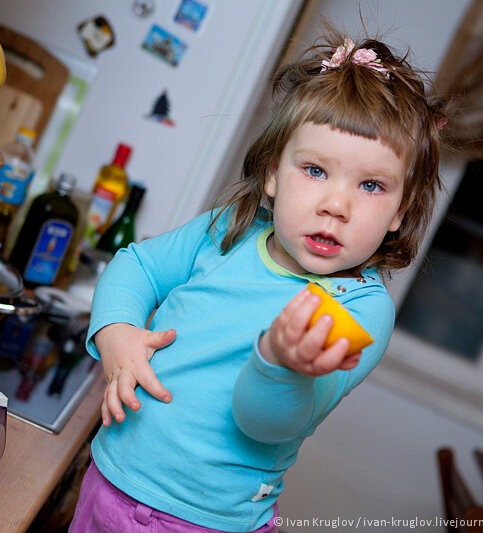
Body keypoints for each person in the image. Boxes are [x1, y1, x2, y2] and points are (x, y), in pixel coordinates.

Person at [70, 26, 448, 533]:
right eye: (315, 170)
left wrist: (281, 365)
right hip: (109, 480)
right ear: (273, 174)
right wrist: (116, 334)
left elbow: (267, 424)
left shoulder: (360, 309)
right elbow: (136, 266)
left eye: (371, 185)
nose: (336, 205)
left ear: (400, 210)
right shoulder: (229, 229)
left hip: (206, 523)